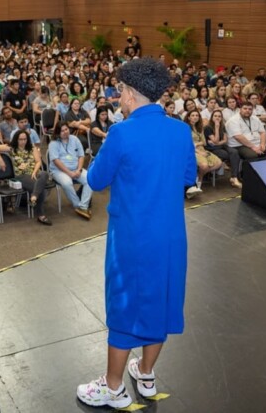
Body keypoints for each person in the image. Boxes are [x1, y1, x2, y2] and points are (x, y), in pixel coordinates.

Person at [78, 58, 196, 409]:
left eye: (119, 91)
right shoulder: (181, 130)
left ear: (130, 94)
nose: (117, 97)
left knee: (125, 306)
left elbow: (96, 180)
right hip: (171, 236)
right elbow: (189, 177)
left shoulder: (122, 132)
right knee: (160, 300)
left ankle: (113, 387)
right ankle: (145, 372)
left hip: (132, 238)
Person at [0, 130, 51, 225]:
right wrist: (1, 160)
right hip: (21, 175)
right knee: (42, 190)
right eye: (20, 139)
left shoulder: (32, 148)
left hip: (34, 173)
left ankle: (33, 197)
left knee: (44, 174)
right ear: (16, 139)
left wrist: (35, 172)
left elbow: (38, 162)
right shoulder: (12, 148)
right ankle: (40, 215)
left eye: (25, 139)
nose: (23, 141)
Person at [48, 123, 92, 220]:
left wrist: (79, 169)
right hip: (58, 170)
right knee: (67, 182)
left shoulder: (75, 139)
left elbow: (81, 156)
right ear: (57, 132)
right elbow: (56, 161)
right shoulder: (53, 143)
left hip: (76, 168)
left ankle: (83, 206)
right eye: (62, 131)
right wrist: (69, 173)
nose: (65, 132)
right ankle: (77, 205)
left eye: (66, 129)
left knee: (90, 179)